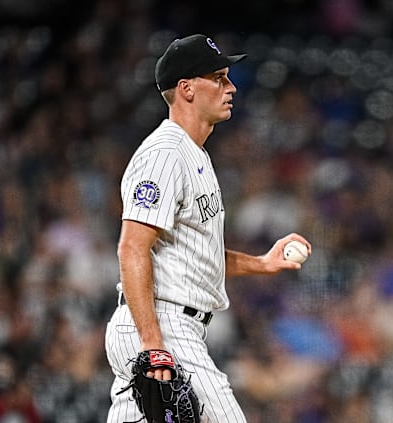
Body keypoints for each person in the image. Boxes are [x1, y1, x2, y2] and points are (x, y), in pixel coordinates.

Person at [104, 33, 312, 422]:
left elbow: (193, 254)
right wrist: (153, 345)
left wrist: (262, 264)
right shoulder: (165, 155)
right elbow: (132, 247)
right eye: (218, 78)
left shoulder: (193, 154)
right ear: (186, 89)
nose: (230, 87)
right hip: (162, 324)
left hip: (166, 325)